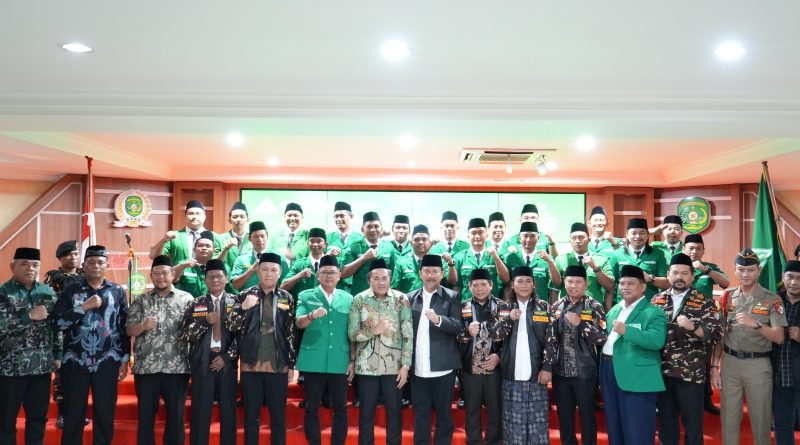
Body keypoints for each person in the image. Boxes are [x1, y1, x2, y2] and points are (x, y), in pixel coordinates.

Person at [55, 245, 130, 445]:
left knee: (105, 414)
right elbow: (58, 322)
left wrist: (124, 358)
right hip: (75, 361)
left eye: (100, 262)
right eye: (91, 262)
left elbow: (124, 326)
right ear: (84, 265)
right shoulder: (71, 290)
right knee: (73, 414)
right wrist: (83, 307)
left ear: (107, 265)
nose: (96, 266)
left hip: (108, 361)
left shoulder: (117, 291)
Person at [711, 248, 787, 445]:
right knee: (728, 419)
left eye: (750, 270)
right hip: (730, 363)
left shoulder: (772, 299)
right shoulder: (727, 297)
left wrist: (756, 324)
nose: (745, 274)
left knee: (761, 420)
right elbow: (720, 335)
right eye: (741, 269)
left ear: (758, 270)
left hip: (758, 365)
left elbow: (779, 337)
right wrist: (714, 366)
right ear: (735, 270)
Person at [226, 252, 298, 445]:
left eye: (273, 270)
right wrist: (242, 308)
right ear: (258, 271)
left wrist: (291, 363)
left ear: (280, 273)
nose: (269, 273)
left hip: (278, 365)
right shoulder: (244, 295)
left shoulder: (286, 298)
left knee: (278, 417)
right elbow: (230, 326)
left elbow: (290, 332)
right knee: (251, 417)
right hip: (251, 365)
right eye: (264, 269)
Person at [651, 253, 721, 445]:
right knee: (666, 424)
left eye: (684, 273)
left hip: (691, 374)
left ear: (692, 276)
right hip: (663, 373)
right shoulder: (657, 300)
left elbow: (717, 334)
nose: (679, 277)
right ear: (668, 274)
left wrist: (694, 328)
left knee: (693, 426)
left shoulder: (705, 301)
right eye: (675, 273)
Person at [126, 255, 194, 445]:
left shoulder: (186, 299)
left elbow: (195, 330)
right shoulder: (141, 300)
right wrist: (142, 326)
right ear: (151, 276)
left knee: (176, 415)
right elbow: (129, 330)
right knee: (145, 416)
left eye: (165, 273)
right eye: (157, 273)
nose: (161, 277)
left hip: (177, 367)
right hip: (146, 368)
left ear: (173, 274)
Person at [349, 258, 413, 445]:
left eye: (384, 278)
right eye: (376, 278)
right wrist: (374, 330)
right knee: (366, 414)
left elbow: (408, 335)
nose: (381, 282)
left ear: (390, 279)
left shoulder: (401, 299)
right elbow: (352, 334)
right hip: (366, 368)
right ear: (369, 279)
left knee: (394, 414)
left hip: (394, 367)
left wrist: (405, 366)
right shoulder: (359, 300)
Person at [601, 264, 666, 445]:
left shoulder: (653, 312)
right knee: (614, 425)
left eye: (630, 283)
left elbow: (657, 340)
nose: (625, 287)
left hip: (637, 377)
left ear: (643, 286)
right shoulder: (614, 310)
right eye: (622, 283)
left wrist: (627, 330)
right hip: (608, 371)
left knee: (637, 430)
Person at [0, 247, 58, 445]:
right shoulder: (3, 292)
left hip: (41, 368)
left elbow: (56, 326)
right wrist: (29, 316)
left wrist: (58, 354)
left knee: (37, 420)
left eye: (35, 265)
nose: (30, 269)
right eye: (24, 264)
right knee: (5, 421)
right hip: (10, 369)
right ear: (12, 266)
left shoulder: (47, 292)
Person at [178, 259, 240, 445]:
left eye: (219, 276)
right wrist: (204, 321)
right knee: (200, 413)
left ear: (226, 278)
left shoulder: (236, 303)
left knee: (228, 414)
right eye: (211, 277)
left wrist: (227, 357)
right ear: (205, 280)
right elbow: (185, 335)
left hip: (227, 364)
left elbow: (243, 336)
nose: (215, 280)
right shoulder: (196, 303)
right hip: (202, 363)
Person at [295, 255, 354, 445]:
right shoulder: (306, 295)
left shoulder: (348, 298)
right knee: (311, 407)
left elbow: (352, 332)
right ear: (317, 275)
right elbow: (299, 323)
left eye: (333, 272)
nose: (329, 276)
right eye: (324, 272)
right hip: (313, 360)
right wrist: (311, 315)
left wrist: (352, 360)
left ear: (339, 275)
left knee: (341, 408)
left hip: (339, 360)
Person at [407, 254, 462, 445]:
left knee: (444, 413)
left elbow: (458, 326)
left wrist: (439, 320)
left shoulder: (452, 296)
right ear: (420, 273)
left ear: (442, 273)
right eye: (427, 271)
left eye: (435, 271)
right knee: (420, 412)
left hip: (443, 367)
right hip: (418, 367)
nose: (431, 275)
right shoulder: (410, 298)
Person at [550, 265, 607, 445]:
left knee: (587, 417)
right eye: (570, 281)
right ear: (564, 283)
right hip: (561, 373)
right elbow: (550, 339)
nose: (573, 285)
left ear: (586, 283)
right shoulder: (557, 306)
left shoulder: (595, 306)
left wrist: (582, 323)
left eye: (578, 282)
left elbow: (602, 338)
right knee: (565, 418)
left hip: (585, 373)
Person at [500, 266, 556, 445]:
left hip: (536, 375)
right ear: (512, 285)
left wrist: (547, 367)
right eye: (519, 281)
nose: (524, 285)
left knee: (537, 426)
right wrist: (509, 318)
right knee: (513, 426)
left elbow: (551, 339)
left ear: (533, 284)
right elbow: (495, 336)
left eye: (528, 281)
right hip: (511, 375)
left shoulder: (544, 307)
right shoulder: (503, 307)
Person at [457, 268, 510, 445]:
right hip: (470, 368)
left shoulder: (503, 307)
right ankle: (473, 442)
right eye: (476, 285)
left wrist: (499, 357)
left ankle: (493, 441)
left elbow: (512, 339)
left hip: (495, 368)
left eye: (483, 284)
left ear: (491, 285)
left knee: (495, 410)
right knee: (472, 410)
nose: (480, 288)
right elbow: (454, 336)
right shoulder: (462, 307)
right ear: (469, 287)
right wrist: (467, 332)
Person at [682, 233, 730, 414]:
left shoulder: (709, 267)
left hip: (703, 324)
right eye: (690, 248)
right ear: (683, 249)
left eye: (698, 248)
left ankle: (705, 398)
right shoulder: (676, 266)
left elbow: (726, 283)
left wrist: (705, 270)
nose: (694, 251)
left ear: (703, 251)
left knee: (704, 359)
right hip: (679, 322)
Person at [43, 240, 84, 429]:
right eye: (68, 254)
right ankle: (62, 414)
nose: (73, 257)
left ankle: (77, 414)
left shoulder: (86, 275)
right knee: (62, 376)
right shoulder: (55, 278)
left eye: (75, 254)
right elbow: (51, 307)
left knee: (81, 378)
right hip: (62, 333)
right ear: (60, 258)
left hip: (83, 333)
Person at [552, 223, 615, 310]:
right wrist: (554, 311)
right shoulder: (561, 260)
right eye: (574, 238)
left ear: (589, 240)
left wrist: (596, 268)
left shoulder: (601, 260)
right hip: (568, 310)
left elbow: (610, 286)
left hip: (593, 310)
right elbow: (554, 289)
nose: (578, 241)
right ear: (570, 241)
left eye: (581, 237)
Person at [772, 260, 800, 445]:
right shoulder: (773, 300)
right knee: (782, 424)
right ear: (783, 277)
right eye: (790, 277)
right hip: (779, 375)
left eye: (799, 278)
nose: (794, 282)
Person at [451, 218, 510, 303]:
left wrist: (496, 257)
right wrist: (456, 306)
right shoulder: (459, 257)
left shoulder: (496, 255)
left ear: (487, 235)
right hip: (467, 306)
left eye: (481, 232)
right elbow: (456, 286)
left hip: (492, 306)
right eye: (473, 233)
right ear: (468, 236)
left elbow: (506, 279)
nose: (477, 236)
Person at [609, 218, 669, 302]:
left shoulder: (658, 254)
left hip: (649, 304)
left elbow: (666, 284)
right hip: (623, 304)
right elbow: (610, 285)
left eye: (642, 233)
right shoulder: (616, 254)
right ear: (627, 235)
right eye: (634, 233)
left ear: (647, 235)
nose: (637, 236)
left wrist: (651, 279)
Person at [341, 211, 397, 296]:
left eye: (376, 226)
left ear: (381, 229)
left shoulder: (389, 247)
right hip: (360, 296)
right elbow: (343, 273)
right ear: (362, 230)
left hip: (382, 297)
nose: (373, 230)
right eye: (369, 227)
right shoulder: (354, 247)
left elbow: (393, 274)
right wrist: (363, 258)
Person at [504, 221, 560, 302]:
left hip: (540, 306)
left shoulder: (546, 259)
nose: (528, 239)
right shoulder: (511, 258)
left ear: (538, 238)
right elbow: (506, 285)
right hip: (516, 305)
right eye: (525, 236)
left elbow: (557, 283)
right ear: (519, 238)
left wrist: (550, 262)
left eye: (532, 236)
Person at [150, 199, 219, 263]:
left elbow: (219, 260)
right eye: (191, 213)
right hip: (180, 272)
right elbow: (153, 256)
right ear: (185, 217)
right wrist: (163, 241)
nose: (194, 217)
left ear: (204, 217)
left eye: (198, 213)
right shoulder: (174, 236)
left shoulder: (215, 237)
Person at [231, 221, 290, 291]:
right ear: (249, 238)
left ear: (267, 236)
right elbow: (235, 285)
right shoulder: (242, 258)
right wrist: (252, 269)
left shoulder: (278, 257)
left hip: (271, 297)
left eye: (262, 236)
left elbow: (286, 284)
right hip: (247, 296)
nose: (260, 239)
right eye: (255, 236)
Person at [392, 224, 450, 294]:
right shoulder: (401, 263)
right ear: (411, 243)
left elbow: (451, 281)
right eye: (417, 239)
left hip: (434, 299)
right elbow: (395, 289)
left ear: (430, 243)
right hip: (408, 300)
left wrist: (451, 264)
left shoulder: (439, 261)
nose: (420, 242)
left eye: (424, 239)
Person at [281, 227, 328, 298]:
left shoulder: (331, 265)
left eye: (319, 241)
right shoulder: (299, 264)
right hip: (302, 304)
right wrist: (299, 275)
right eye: (312, 241)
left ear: (325, 244)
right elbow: (283, 287)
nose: (315, 244)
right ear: (307, 243)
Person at [216, 201, 251, 271]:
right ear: (229, 220)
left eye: (242, 217)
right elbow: (215, 264)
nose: (238, 219)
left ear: (248, 219)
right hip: (226, 277)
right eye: (235, 217)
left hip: (248, 277)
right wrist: (226, 248)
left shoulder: (253, 239)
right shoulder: (219, 238)